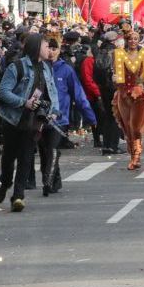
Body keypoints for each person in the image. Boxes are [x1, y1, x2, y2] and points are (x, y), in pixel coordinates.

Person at [0, 33, 60, 212]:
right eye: (47, 46)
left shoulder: (47, 68)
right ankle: (5, 182)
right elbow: (3, 92)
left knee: (26, 157)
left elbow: (52, 92)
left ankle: (18, 196)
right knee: (9, 157)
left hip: (33, 122)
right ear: (36, 47)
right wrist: (24, 102)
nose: (50, 50)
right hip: (12, 119)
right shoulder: (16, 67)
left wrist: (54, 111)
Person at [44, 37, 97, 194]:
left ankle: (48, 180)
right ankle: (55, 180)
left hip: (60, 118)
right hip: (40, 116)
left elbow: (78, 95)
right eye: (49, 48)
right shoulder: (38, 67)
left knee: (52, 148)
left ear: (60, 50)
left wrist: (90, 117)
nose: (51, 52)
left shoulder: (66, 70)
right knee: (45, 150)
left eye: (55, 49)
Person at [112, 31, 144, 170]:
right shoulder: (118, 55)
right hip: (123, 94)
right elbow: (116, 73)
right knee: (127, 127)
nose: (133, 41)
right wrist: (114, 77)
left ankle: (137, 155)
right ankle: (133, 156)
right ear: (126, 40)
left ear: (139, 40)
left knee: (135, 126)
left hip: (139, 94)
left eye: (135, 38)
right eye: (130, 39)